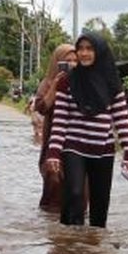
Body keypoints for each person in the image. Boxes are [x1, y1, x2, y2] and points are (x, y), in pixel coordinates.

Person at [43, 32, 128, 228]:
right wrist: (54, 152)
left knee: (100, 205)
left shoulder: (112, 83)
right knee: (75, 194)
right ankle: (70, 247)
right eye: (81, 49)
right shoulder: (67, 81)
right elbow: (60, 119)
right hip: (73, 146)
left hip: (103, 149)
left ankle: (92, 251)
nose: (84, 53)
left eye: (89, 49)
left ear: (99, 52)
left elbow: (121, 119)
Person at [32, 43, 77, 212]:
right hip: (54, 142)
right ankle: (53, 231)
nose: (72, 64)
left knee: (79, 190)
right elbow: (41, 108)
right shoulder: (47, 82)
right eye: (67, 61)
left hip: (78, 142)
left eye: (75, 60)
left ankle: (77, 233)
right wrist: (55, 87)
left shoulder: (84, 82)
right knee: (54, 184)